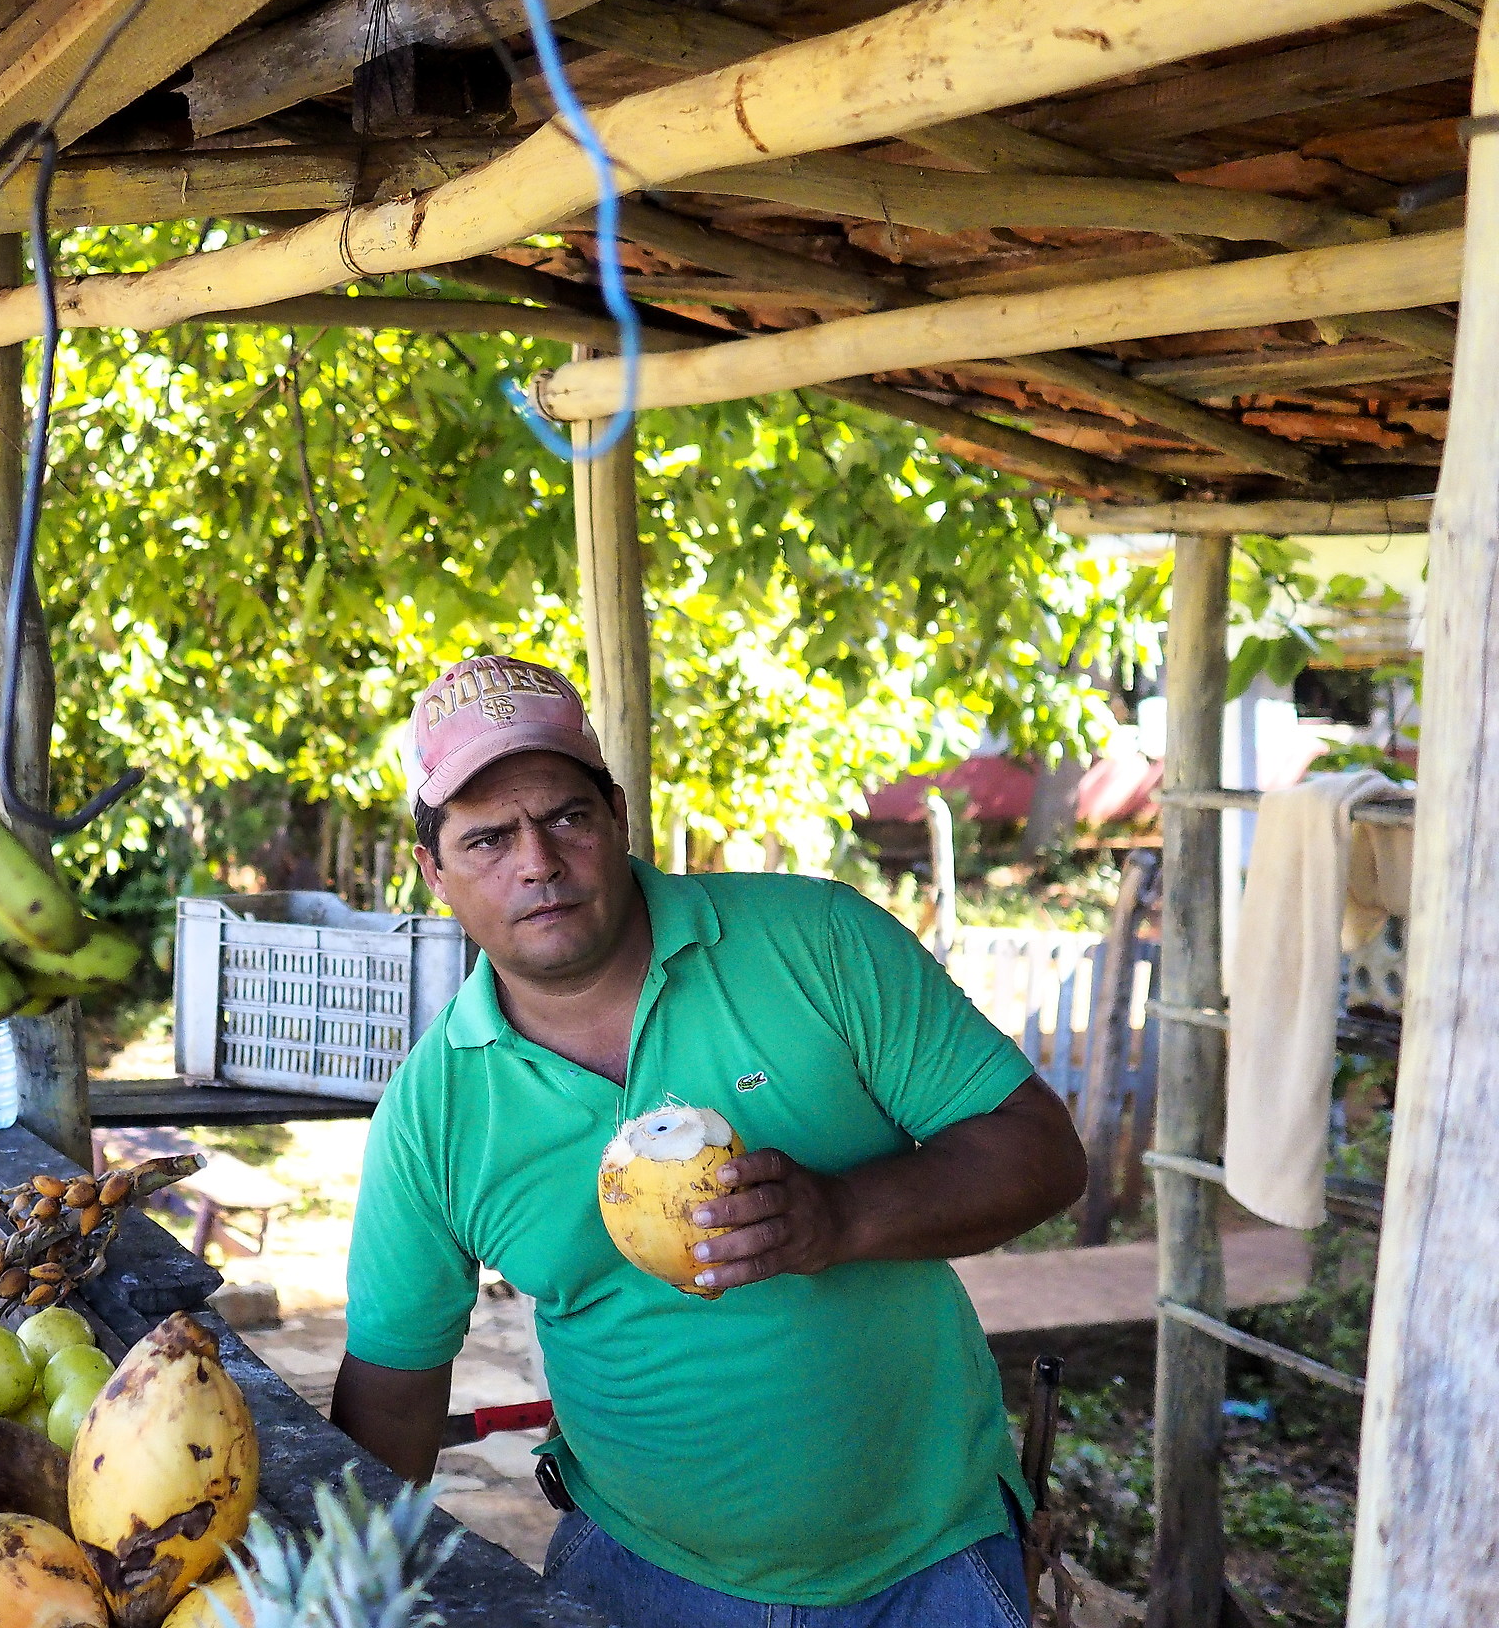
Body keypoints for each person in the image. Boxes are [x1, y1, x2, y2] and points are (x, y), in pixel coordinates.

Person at [332, 653, 1088, 1628]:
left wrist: (842, 1215)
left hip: (932, 1564)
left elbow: (1041, 1152)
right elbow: (393, 1390)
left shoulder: (814, 943)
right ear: (434, 871)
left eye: (564, 817)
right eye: (487, 839)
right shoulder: (435, 1111)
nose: (536, 862)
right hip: (642, 1577)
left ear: (615, 815)